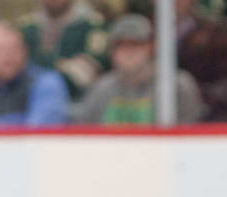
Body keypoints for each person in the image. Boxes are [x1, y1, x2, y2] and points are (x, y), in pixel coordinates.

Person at [71, 14, 204, 124]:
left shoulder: (177, 85)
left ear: (150, 47)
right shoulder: (102, 88)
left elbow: (188, 135)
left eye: (136, 44)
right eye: (122, 46)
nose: (129, 52)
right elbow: (84, 131)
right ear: (112, 52)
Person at [0, 21, 69, 126]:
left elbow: (38, 134)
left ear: (25, 52)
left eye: (14, 48)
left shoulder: (46, 83)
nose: (8, 55)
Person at [18, 0, 108, 100]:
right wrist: (64, 66)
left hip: (77, 102)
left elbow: (86, 75)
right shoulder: (27, 27)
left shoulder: (92, 25)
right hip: (26, 102)